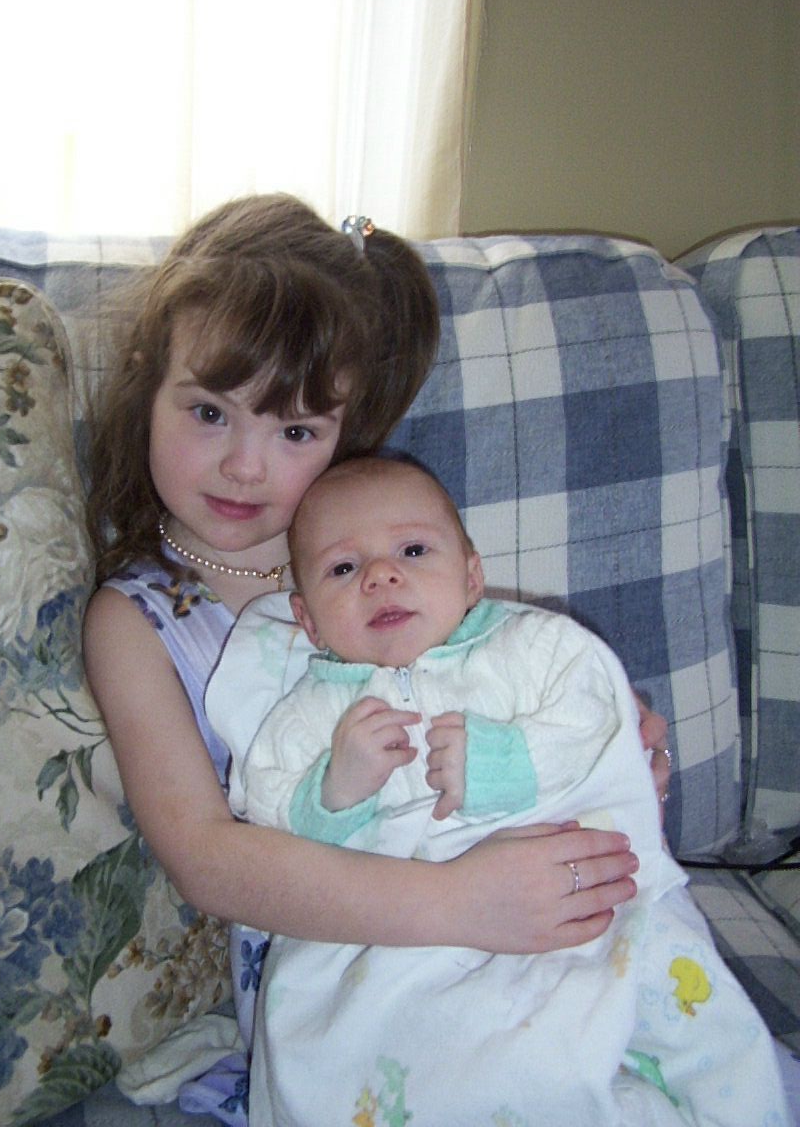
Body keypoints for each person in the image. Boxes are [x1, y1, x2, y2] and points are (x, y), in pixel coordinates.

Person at [82, 195, 667, 1125]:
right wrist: (459, 905)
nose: (244, 466)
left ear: (345, 433)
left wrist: (607, 738)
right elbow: (210, 860)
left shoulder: (377, 559)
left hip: (515, 922)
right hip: (343, 970)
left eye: (296, 431)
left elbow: (503, 666)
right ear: (146, 391)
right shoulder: (137, 622)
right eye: (208, 412)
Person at [213, 455, 788, 1126]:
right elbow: (267, 815)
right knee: (404, 1059)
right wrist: (334, 791)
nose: (381, 575)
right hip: (396, 936)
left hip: (573, 892)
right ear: (309, 621)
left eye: (413, 551)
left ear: (471, 576)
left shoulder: (531, 648)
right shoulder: (310, 713)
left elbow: (598, 716)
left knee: (683, 1010)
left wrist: (507, 761)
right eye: (343, 568)